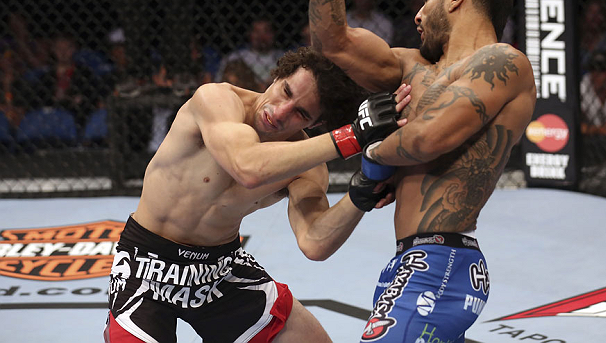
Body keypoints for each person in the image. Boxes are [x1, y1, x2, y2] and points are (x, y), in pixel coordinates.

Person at [307, 0, 537, 341]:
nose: (416, 13)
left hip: (440, 263)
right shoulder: (413, 68)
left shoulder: (504, 63)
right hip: (411, 261)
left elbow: (428, 138)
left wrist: (370, 149)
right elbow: (331, 43)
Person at [104, 46, 412, 343]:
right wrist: (353, 136)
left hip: (218, 269)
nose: (279, 113)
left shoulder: (306, 163)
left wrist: (360, 195)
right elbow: (247, 167)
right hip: (145, 265)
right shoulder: (217, 99)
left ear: (315, 123)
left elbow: (314, 242)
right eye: (286, 92)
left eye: (300, 113)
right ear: (277, 76)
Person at [215, 18, 285, 88]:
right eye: (257, 31)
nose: (261, 36)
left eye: (266, 31)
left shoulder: (284, 57)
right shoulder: (235, 57)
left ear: (273, 34)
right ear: (249, 34)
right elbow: (220, 82)